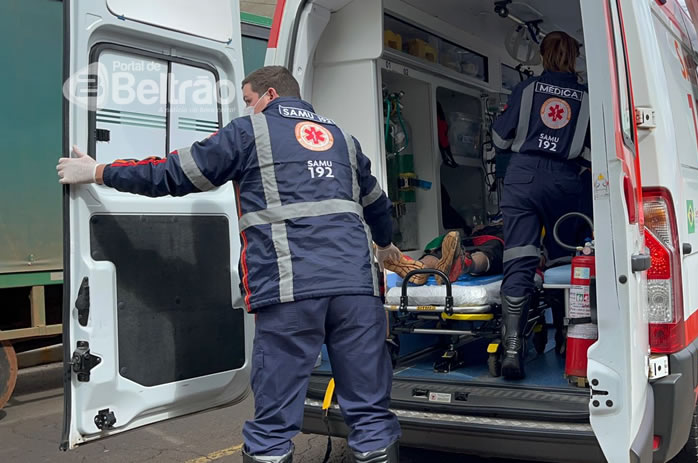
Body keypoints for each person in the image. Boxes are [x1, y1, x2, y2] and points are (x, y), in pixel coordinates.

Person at [57, 66, 402, 463]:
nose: (249, 108)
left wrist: (98, 172)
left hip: (291, 288)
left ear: (269, 95)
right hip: (356, 291)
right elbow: (376, 202)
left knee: (274, 422)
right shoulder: (343, 139)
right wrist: (385, 244)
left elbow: (173, 174)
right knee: (371, 415)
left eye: (250, 99)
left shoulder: (248, 133)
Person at [491, 31, 589, 380]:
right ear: (574, 58)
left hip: (522, 179)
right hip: (565, 182)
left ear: (542, 55)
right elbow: (593, 153)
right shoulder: (586, 97)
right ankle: (566, 337)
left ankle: (513, 350)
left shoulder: (526, 89)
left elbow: (500, 137)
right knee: (566, 259)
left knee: (519, 258)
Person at [385, 224, 504, 285]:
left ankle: (421, 267)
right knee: (489, 251)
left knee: (441, 251)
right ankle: (463, 263)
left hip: (483, 239)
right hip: (482, 239)